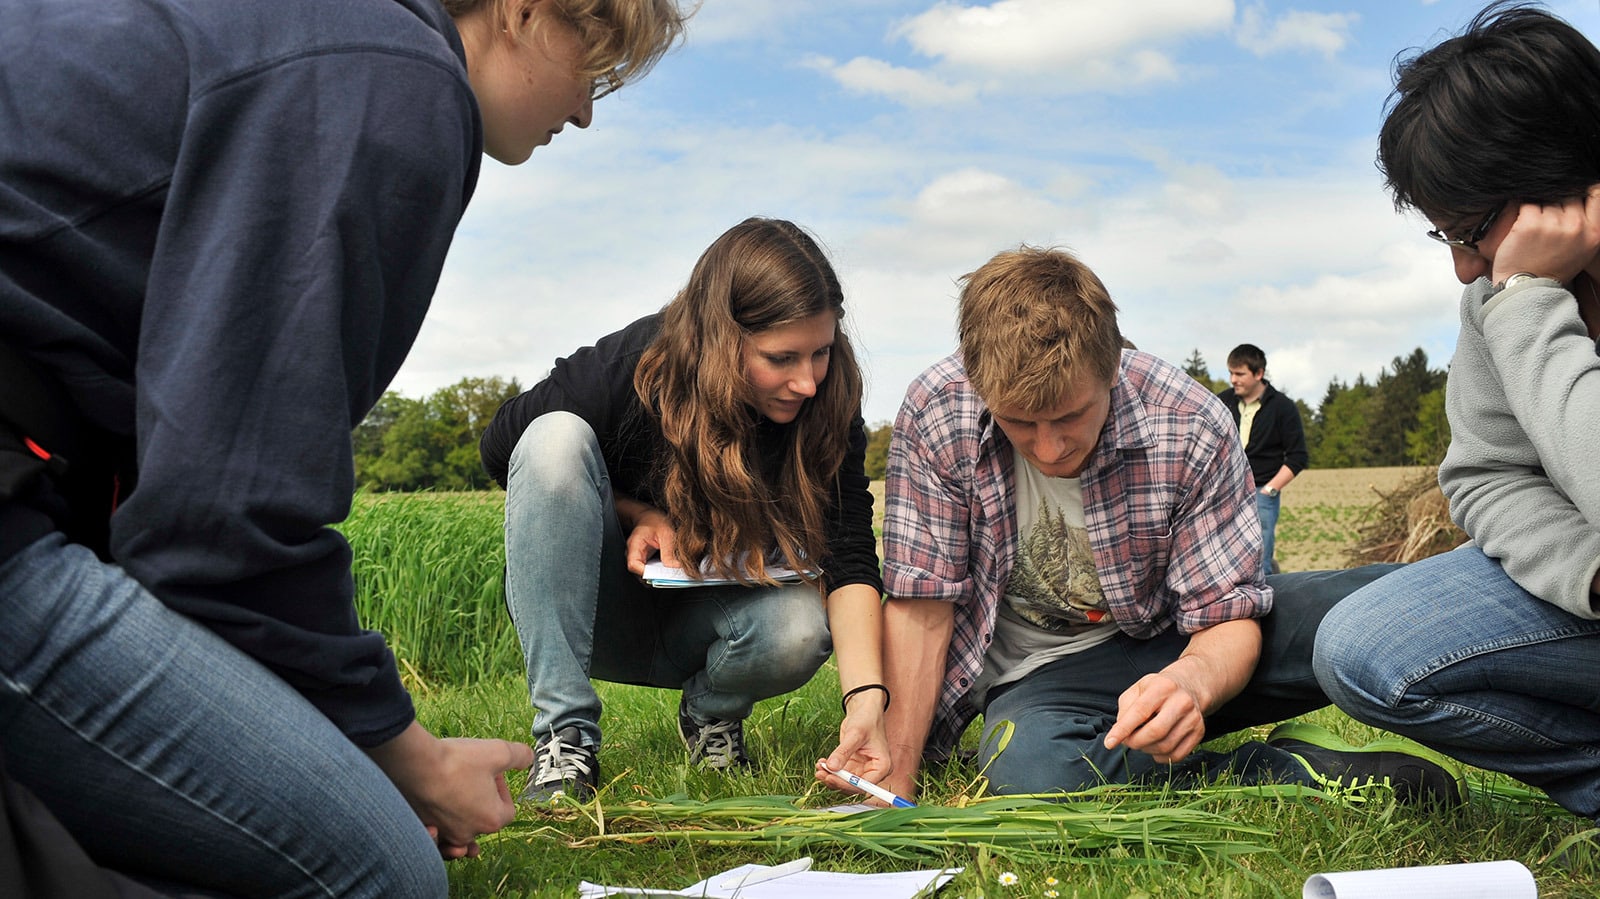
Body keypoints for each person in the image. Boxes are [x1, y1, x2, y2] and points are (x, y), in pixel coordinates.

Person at [0, 0, 687, 895]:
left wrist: (338, 749)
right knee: (382, 870)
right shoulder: (395, 74)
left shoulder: (298, 29)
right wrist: (406, 756)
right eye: (593, 65)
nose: (589, 110)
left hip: (40, 483)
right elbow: (222, 521)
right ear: (521, 11)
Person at [817, 245, 1461, 806]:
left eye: (1069, 417)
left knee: (1387, 607)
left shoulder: (1187, 422)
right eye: (1018, 423)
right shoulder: (938, 411)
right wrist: (895, 774)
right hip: (1039, 683)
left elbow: (1224, 615)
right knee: (1029, 767)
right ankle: (1275, 771)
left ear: (1112, 367)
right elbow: (921, 604)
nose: (1046, 448)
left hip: (1171, 639)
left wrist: (1190, 682)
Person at [479, 217, 885, 803]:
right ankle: (566, 739)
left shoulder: (830, 400)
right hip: (600, 610)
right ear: (721, 340)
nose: (807, 383)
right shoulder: (629, 364)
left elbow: (848, 552)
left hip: (712, 620)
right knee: (552, 438)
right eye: (781, 358)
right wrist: (635, 512)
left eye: (819, 353)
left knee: (799, 625)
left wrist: (867, 701)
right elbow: (502, 449)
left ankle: (710, 715)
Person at [1314, 0, 1600, 824]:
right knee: (1362, 649)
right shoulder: (1499, 294)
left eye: (1471, 230)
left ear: (1566, 175)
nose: (1464, 269)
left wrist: (1530, 308)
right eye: (1444, 236)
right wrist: (1591, 574)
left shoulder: (1516, 299)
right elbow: (1484, 476)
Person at [1218, 344, 1309, 578]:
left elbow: (1298, 456)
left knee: (1260, 564)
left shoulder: (1283, 407)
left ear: (1259, 374)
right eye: (1231, 373)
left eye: (1239, 374)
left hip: (1262, 492)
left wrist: (1270, 489)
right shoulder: (1221, 403)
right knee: (1222, 560)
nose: (1233, 380)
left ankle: (1265, 604)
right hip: (1225, 492)